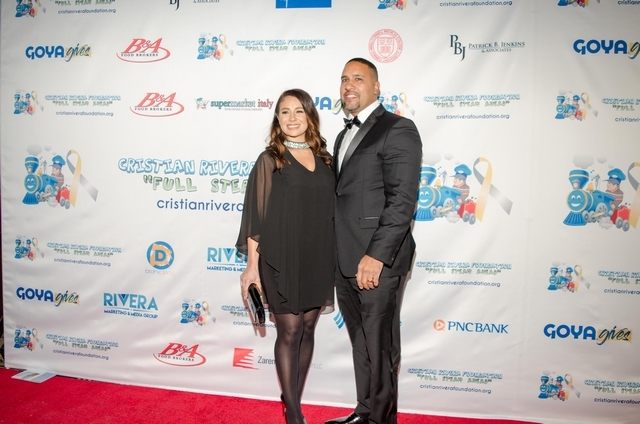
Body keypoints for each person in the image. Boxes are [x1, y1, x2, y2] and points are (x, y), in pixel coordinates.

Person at [326, 58, 422, 424]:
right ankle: (365, 412)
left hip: (377, 262)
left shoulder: (398, 128)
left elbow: (402, 201)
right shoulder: (342, 135)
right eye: (344, 79)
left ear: (376, 86)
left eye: (358, 78)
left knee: (380, 348)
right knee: (362, 343)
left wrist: (376, 256)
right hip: (345, 258)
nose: (349, 85)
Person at [236, 88, 335, 424]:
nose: (292, 118)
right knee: (290, 331)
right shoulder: (271, 159)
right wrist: (252, 268)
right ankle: (293, 414)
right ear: (277, 119)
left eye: (298, 111)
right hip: (280, 257)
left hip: (318, 255)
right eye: (284, 112)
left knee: (308, 328)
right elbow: (256, 217)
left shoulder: (326, 159)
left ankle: (293, 397)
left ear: (310, 116)